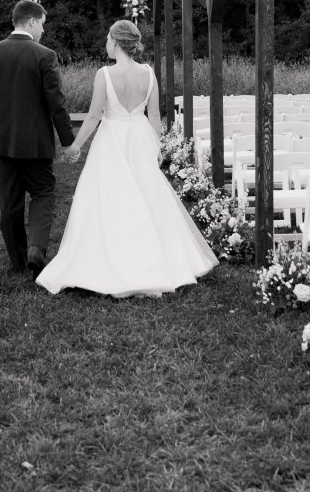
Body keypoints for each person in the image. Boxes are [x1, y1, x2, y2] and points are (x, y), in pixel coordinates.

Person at [37, 19, 217, 297]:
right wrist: (156, 146)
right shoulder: (148, 72)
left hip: (112, 139)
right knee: (148, 193)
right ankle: (157, 259)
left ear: (116, 42)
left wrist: (74, 147)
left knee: (111, 196)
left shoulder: (104, 75)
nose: (106, 43)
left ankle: (114, 258)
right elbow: (154, 115)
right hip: (141, 137)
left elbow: (94, 116)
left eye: (108, 39)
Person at [0, 0, 76, 278]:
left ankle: (18, 262)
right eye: (42, 24)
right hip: (36, 143)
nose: (43, 30)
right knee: (43, 191)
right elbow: (56, 102)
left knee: (10, 200)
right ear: (31, 21)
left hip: (2, 141)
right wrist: (67, 141)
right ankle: (36, 248)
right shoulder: (45, 55)